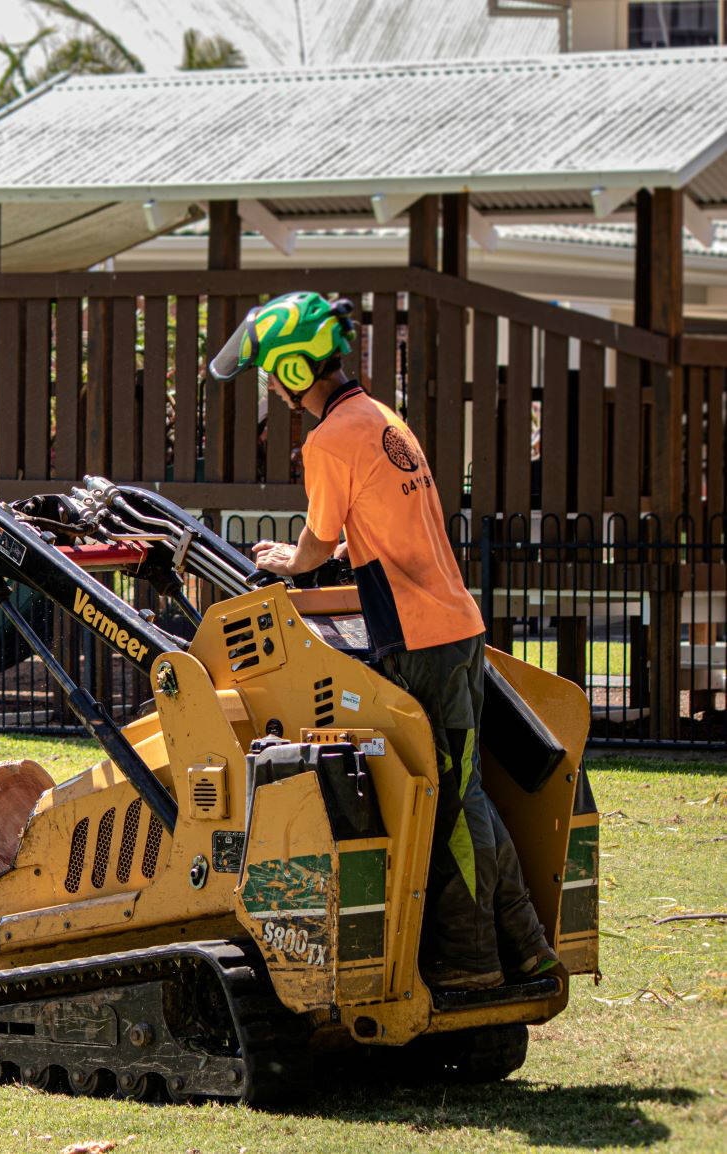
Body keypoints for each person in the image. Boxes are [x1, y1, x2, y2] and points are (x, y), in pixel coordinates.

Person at [208, 292, 556, 992]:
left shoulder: (330, 439)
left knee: (448, 800)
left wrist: (288, 561)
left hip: (417, 640)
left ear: (294, 368)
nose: (273, 391)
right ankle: (525, 946)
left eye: (273, 376)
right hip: (457, 627)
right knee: (468, 791)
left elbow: (319, 542)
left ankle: (470, 961)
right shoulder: (382, 419)